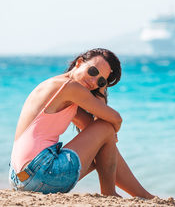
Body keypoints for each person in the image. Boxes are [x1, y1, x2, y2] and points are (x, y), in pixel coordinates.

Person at [9, 48, 154, 198]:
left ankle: (142, 195)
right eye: (92, 71)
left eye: (100, 81)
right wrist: (109, 131)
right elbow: (116, 119)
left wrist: (101, 91)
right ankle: (113, 194)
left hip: (19, 179)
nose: (93, 81)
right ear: (79, 62)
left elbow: (92, 127)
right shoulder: (70, 87)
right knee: (106, 129)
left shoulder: (60, 88)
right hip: (40, 174)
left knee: (104, 135)